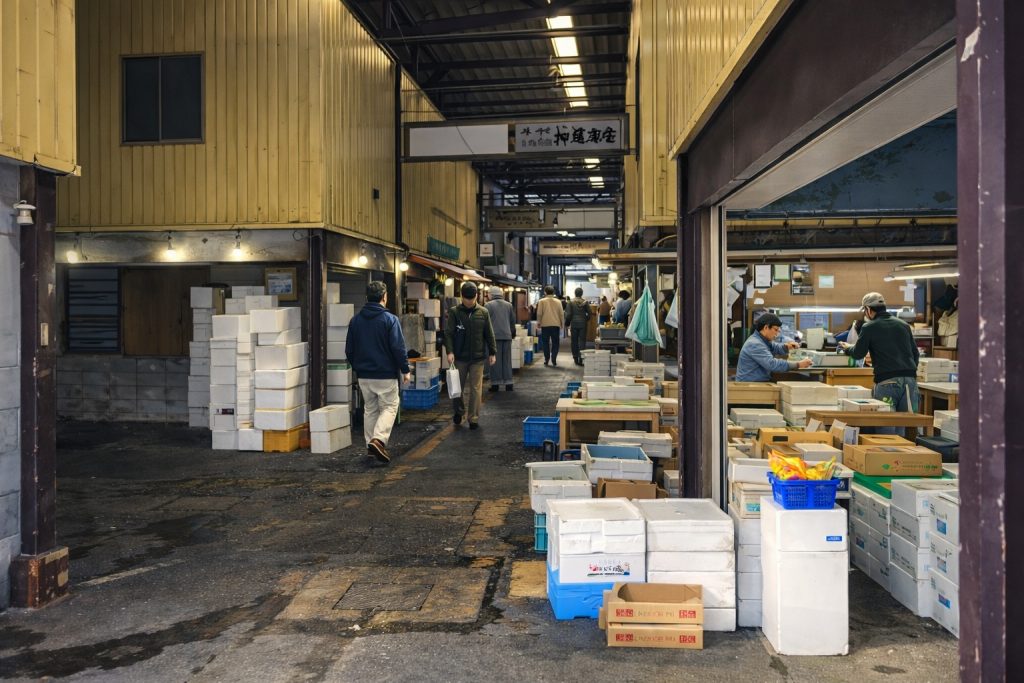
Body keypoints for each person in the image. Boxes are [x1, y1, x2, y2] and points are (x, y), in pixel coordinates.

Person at [345, 281, 411, 464]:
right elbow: (398, 348)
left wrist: (358, 366)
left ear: (366, 298)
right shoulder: (390, 320)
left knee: (370, 410)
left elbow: (349, 350)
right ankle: (378, 440)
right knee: (390, 407)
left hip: (364, 375)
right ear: (384, 297)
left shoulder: (355, 320)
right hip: (385, 374)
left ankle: (371, 448)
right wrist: (405, 369)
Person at [840, 292, 920, 414]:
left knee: (886, 425)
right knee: (907, 424)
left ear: (868, 309)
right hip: (910, 382)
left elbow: (858, 353)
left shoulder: (869, 327)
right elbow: (915, 354)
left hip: (887, 382)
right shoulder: (903, 325)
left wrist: (847, 348)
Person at [444, 282, 496, 429]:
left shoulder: (483, 312)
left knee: (476, 388)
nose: (469, 301)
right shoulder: (454, 312)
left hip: (478, 358)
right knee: (456, 387)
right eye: (466, 298)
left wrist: (492, 352)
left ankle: (473, 418)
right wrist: (450, 351)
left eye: (472, 298)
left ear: (477, 296)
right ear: (461, 296)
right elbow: (449, 334)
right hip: (459, 357)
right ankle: (459, 411)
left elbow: (489, 334)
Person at [734, 313, 813, 382]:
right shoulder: (755, 344)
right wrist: (798, 364)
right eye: (775, 330)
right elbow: (772, 364)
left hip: (757, 382)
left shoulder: (763, 340)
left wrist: (786, 346)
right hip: (748, 386)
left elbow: (775, 347)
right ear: (766, 328)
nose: (777, 334)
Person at [484, 286, 516, 392]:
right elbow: (512, 321)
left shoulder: (488, 305)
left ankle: (495, 384)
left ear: (491, 294)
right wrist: (512, 332)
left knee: (494, 360)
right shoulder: (509, 305)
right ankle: (509, 383)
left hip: (494, 337)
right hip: (507, 336)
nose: (487, 295)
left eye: (488, 293)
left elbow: (485, 321)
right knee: (506, 360)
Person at [536, 285, 564, 366]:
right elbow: (561, 314)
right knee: (556, 342)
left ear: (545, 292)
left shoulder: (541, 301)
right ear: (553, 292)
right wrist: (562, 323)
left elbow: (539, 313)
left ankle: (546, 359)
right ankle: (554, 358)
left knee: (545, 342)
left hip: (545, 325)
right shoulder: (558, 302)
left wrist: (539, 322)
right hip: (555, 325)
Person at [565, 288, 592, 366]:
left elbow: (569, 314)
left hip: (574, 323)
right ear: (581, 293)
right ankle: (581, 358)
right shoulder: (585, 302)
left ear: (575, 293)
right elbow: (590, 313)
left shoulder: (570, 302)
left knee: (574, 341)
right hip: (583, 324)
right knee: (582, 341)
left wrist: (567, 322)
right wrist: (586, 319)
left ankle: (575, 357)